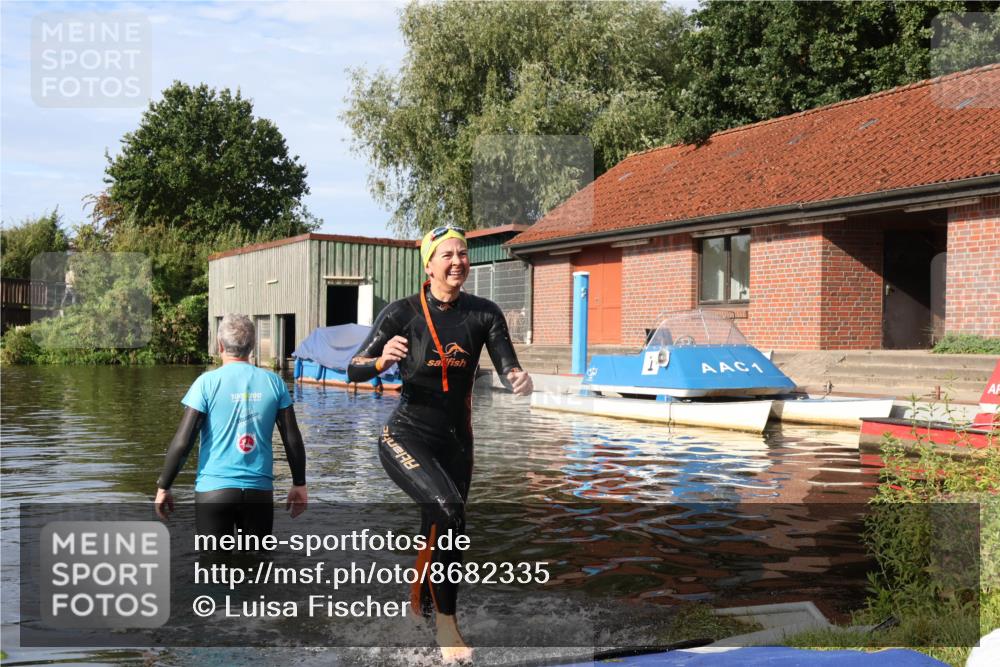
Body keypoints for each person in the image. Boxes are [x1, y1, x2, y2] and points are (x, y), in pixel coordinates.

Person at [348, 225, 533, 663]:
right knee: (450, 511)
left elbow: (509, 364)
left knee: (440, 527)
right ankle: (449, 629)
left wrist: (517, 379)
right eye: (447, 255)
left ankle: (420, 610)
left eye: (463, 254)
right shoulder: (402, 312)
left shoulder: (484, 313)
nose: (457, 262)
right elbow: (354, 366)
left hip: (457, 444)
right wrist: (379, 360)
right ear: (429, 265)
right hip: (405, 434)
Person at [154, 313, 308, 536]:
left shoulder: (206, 383)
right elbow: (292, 438)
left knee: (212, 567)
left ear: (220, 346)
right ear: (252, 345)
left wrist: (164, 486)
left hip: (213, 491)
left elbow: (183, 442)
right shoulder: (275, 383)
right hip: (259, 490)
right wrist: (299, 484)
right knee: (258, 566)